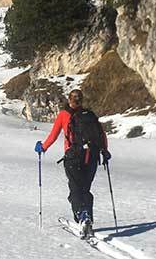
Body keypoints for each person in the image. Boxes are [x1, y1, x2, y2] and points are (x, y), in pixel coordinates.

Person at [34, 89, 111, 237]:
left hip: (73, 157)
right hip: (92, 157)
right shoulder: (90, 115)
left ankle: (82, 216)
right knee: (85, 189)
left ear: (69, 100)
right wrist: (105, 151)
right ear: (81, 100)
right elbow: (102, 135)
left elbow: (53, 135)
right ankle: (87, 216)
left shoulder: (64, 115)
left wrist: (42, 147)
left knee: (75, 189)